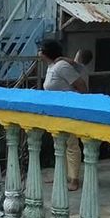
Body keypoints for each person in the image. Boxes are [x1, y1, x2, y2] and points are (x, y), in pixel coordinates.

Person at [39, 38, 86, 191]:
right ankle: (61, 175)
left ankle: (74, 179)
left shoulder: (61, 66)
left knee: (71, 145)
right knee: (59, 145)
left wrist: (78, 104)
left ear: (47, 53)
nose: (39, 52)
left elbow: (81, 86)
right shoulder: (52, 66)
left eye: (41, 49)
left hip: (68, 110)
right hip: (57, 112)